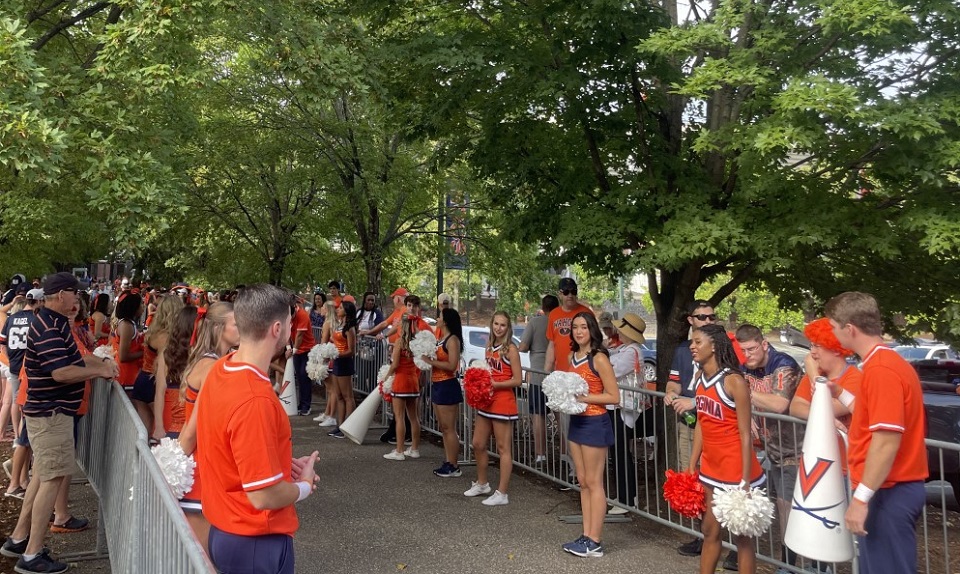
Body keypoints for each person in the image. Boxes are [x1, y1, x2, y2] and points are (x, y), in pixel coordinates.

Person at [195, 285, 319, 574]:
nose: (292, 328)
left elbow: (230, 446)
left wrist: (279, 465)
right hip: (254, 538)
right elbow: (263, 495)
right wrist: (305, 485)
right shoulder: (255, 398)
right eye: (290, 323)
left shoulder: (222, 369)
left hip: (227, 529)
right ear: (278, 328)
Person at [1, 272, 118, 574]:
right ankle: (32, 553)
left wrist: (102, 364)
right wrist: (100, 372)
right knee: (51, 480)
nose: (78, 298)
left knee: (42, 475)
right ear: (60, 294)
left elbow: (77, 360)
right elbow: (62, 373)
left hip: (49, 414)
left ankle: (18, 540)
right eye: (74, 293)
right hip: (50, 415)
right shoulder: (49, 326)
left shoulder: (54, 323)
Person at [825, 292, 927, 574]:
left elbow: (885, 441)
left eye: (834, 327)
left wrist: (860, 500)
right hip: (887, 488)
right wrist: (841, 393)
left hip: (889, 490)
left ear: (850, 329)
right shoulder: (884, 364)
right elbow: (870, 414)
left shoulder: (881, 370)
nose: (833, 335)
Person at [688, 323, 765, 574]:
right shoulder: (700, 378)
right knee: (709, 530)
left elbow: (745, 434)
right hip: (711, 467)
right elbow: (702, 422)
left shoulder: (734, 381)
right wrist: (693, 462)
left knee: (742, 539)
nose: (693, 346)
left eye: (698, 341)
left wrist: (744, 480)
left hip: (736, 468)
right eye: (692, 341)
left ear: (714, 345)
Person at [787, 317, 861, 574]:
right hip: (818, 468)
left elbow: (837, 406)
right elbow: (795, 406)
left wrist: (812, 377)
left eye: (818, 345)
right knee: (817, 533)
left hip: (846, 472)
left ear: (837, 347)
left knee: (850, 539)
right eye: (811, 346)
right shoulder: (819, 378)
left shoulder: (853, 379)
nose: (812, 352)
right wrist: (824, 413)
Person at [735, 323, 801, 572]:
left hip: (796, 448)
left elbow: (779, 403)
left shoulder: (783, 364)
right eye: (743, 350)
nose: (747, 355)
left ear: (764, 344)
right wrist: (748, 415)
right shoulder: (745, 368)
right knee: (780, 505)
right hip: (771, 448)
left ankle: (792, 563)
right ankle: (788, 561)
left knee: (789, 506)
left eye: (752, 349)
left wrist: (747, 392)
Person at [177, 302, 238, 555]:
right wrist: (172, 467)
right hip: (203, 472)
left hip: (203, 466)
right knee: (203, 561)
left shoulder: (213, 362)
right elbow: (192, 431)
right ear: (218, 328)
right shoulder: (214, 368)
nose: (243, 328)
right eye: (236, 324)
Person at [560, 312, 621, 557]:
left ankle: (595, 539)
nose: (579, 331)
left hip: (595, 421)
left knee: (595, 482)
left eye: (584, 327)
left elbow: (614, 396)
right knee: (583, 481)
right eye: (575, 327)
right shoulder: (571, 356)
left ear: (592, 329)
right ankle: (586, 535)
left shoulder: (599, 358)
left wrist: (584, 398)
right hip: (576, 421)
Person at [663, 299, 718, 556]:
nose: (708, 321)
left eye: (711, 316)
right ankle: (701, 536)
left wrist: (693, 401)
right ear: (691, 320)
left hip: (715, 427)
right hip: (689, 424)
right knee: (692, 478)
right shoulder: (683, 350)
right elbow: (673, 382)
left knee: (718, 483)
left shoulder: (723, 349)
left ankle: (724, 541)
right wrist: (672, 395)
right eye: (702, 317)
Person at [463, 311, 522, 506]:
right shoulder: (489, 346)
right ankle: (482, 483)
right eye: (496, 324)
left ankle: (502, 493)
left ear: (508, 327)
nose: (498, 328)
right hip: (487, 401)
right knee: (478, 443)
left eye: (502, 325)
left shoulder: (510, 350)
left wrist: (494, 384)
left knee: (503, 448)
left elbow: (517, 380)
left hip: (503, 402)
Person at [605, 312, 653, 515]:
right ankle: (624, 496)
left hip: (625, 408)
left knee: (622, 454)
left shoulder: (631, 352)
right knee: (618, 453)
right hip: (620, 406)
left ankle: (627, 499)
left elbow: (610, 370)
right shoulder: (626, 350)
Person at [134, 294, 184, 440]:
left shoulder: (152, 332)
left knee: (143, 434)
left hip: (142, 380)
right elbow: (164, 365)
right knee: (158, 433)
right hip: (155, 383)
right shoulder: (169, 337)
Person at [421, 307, 463, 477]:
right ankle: (448, 460)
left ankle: (454, 465)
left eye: (439, 316)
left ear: (445, 320)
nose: (437, 319)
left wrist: (431, 361)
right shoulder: (440, 338)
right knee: (443, 428)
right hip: (437, 384)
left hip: (447, 384)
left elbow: (452, 365)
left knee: (449, 428)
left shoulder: (452, 340)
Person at [518, 294, 559, 465]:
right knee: (561, 416)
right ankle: (566, 453)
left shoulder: (535, 322)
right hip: (558, 374)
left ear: (543, 307)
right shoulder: (560, 322)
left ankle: (541, 454)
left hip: (538, 374)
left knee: (538, 416)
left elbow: (523, 346)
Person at [152, 305, 199, 440]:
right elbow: (159, 392)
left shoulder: (202, 355)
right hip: (171, 421)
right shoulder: (167, 354)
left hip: (191, 423)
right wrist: (159, 427)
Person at [381, 315, 423, 460]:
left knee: (399, 417)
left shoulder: (400, 342)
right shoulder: (417, 343)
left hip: (401, 381)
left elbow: (395, 364)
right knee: (414, 417)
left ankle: (399, 450)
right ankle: (415, 449)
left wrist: (386, 377)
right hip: (413, 381)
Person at [325, 300, 357, 439]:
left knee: (347, 396)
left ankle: (349, 426)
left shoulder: (350, 329)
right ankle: (340, 424)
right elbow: (334, 340)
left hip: (344, 363)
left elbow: (351, 351)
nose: (338, 309)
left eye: (341, 308)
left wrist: (336, 354)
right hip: (337, 362)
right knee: (338, 396)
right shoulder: (340, 325)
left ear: (347, 311)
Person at [112, 291, 144, 396]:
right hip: (126, 377)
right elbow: (123, 356)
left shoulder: (129, 324)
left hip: (130, 375)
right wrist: (145, 352)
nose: (143, 307)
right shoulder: (126, 326)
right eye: (141, 304)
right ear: (133, 307)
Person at [291, 296, 317, 416]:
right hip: (296, 350)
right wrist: (288, 347)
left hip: (306, 349)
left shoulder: (302, 315)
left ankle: (306, 405)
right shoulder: (285, 314)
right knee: (299, 378)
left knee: (304, 376)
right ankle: (301, 403)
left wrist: (294, 350)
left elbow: (300, 335)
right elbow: (286, 331)